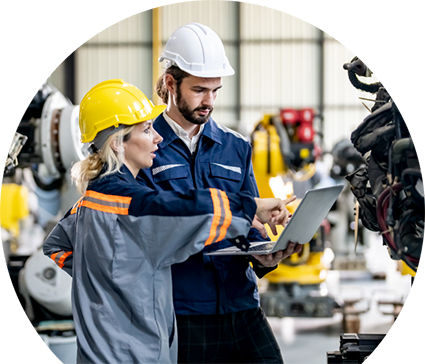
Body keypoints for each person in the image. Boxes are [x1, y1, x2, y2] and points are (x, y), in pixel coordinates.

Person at [42, 79, 294, 364]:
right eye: (147, 129)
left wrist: (110, 281)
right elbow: (180, 210)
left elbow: (56, 245)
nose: (157, 138)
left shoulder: (94, 199)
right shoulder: (128, 202)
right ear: (117, 143)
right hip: (132, 352)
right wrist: (251, 207)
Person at [137, 23, 302, 364]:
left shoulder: (236, 147)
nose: (209, 101)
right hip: (185, 312)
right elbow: (152, 232)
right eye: (199, 90)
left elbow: (251, 223)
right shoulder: (146, 148)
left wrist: (264, 258)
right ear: (171, 84)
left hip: (242, 305)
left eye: (216, 90)